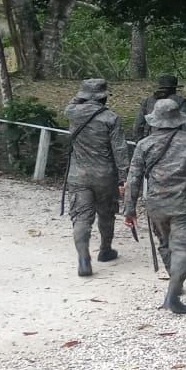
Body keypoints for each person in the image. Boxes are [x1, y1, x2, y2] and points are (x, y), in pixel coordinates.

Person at [123, 99, 186, 315]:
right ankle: (173, 293)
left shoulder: (144, 144)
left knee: (165, 243)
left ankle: (176, 282)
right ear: (178, 120)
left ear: (155, 120)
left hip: (156, 203)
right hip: (183, 203)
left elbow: (133, 177)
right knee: (184, 246)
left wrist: (130, 209)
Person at [64, 79, 131, 277]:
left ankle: (83, 257)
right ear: (104, 96)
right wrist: (123, 177)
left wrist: (82, 94)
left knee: (81, 218)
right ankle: (105, 249)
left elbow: (72, 103)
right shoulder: (111, 118)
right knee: (106, 213)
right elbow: (120, 149)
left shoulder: (72, 113)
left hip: (78, 174)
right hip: (105, 174)